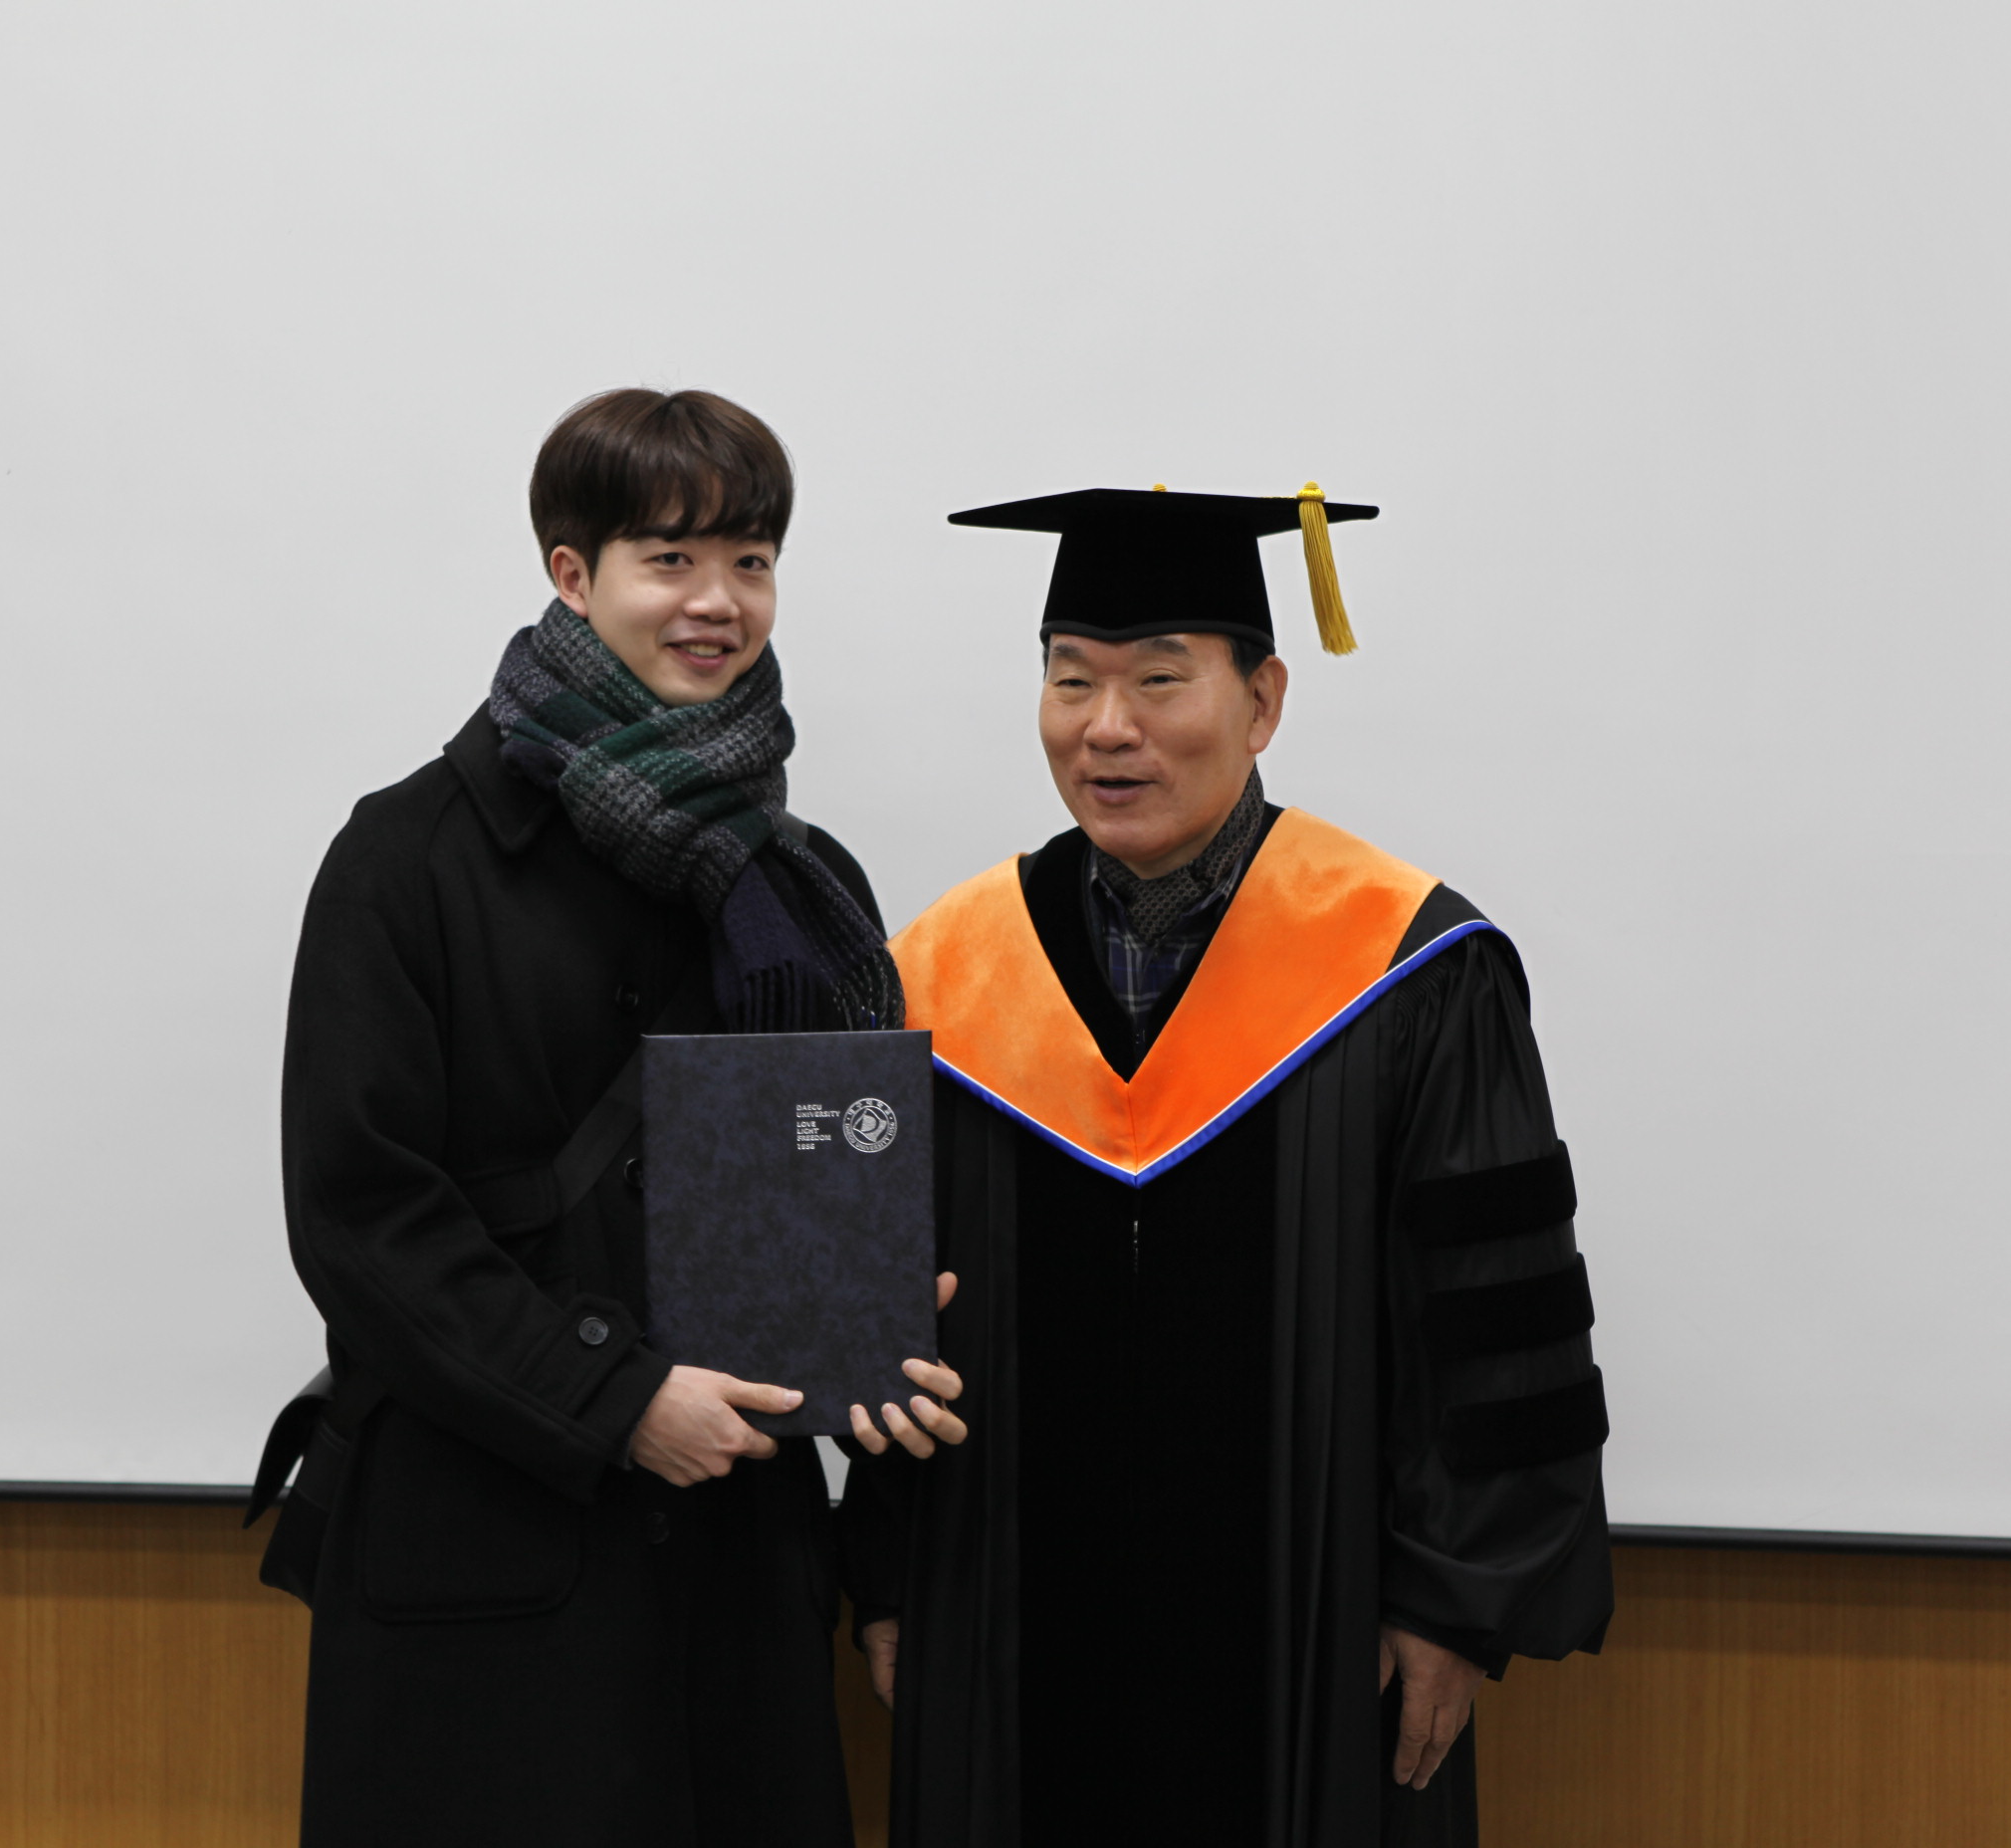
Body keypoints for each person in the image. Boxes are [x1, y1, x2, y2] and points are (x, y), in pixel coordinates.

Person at [842, 486, 1612, 1847]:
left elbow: (1491, 1325)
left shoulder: (1412, 967)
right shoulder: (942, 974)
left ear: (1262, 702)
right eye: (1070, 680)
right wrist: (892, 1571)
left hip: (1320, 1633)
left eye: (1158, 679)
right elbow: (893, 1315)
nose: (1107, 726)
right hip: (1009, 1626)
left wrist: (1452, 1603)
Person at [257, 387, 967, 1847]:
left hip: (736, 1571)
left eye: (752, 561)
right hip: (488, 1563)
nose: (719, 602)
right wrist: (615, 1400)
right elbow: (363, 1219)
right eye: (671, 559)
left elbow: (833, 1178)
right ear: (572, 575)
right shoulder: (406, 858)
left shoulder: (799, 880)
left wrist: (878, 1317)